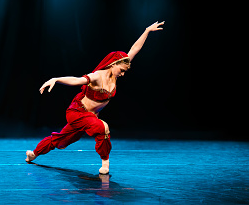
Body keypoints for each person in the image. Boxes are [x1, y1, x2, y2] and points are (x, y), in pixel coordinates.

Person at [26, 21, 165, 174]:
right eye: (122, 70)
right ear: (113, 64)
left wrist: (146, 31)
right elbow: (77, 80)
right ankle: (105, 163)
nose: (123, 74)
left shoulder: (116, 73)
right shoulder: (98, 76)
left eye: (125, 71)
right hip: (77, 112)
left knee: (62, 139)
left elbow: (134, 49)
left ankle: (34, 154)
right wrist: (56, 79)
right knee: (102, 127)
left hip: (90, 115)